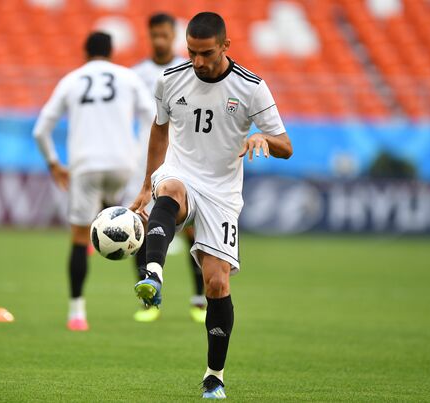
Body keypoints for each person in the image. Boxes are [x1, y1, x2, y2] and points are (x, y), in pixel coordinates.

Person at [130, 12, 292, 399]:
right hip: (182, 171)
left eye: (205, 53)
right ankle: (153, 273)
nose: (197, 61)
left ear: (225, 46)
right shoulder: (170, 80)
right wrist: (143, 186)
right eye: (191, 52)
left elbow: (286, 145)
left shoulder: (252, 87)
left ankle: (214, 375)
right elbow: (159, 128)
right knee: (169, 189)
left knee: (216, 282)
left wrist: (263, 140)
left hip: (222, 192)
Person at [33, 32, 154, 332]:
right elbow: (153, 117)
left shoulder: (72, 80)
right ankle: (148, 301)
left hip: (85, 166)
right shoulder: (127, 77)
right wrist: (139, 157)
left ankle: (77, 313)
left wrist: (53, 164)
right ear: (112, 51)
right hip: (123, 165)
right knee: (134, 226)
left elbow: (40, 130)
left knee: (78, 238)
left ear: (85, 52)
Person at [126, 12, 206, 323]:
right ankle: (150, 301)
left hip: (184, 159)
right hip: (147, 159)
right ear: (149, 35)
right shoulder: (136, 75)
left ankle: (199, 299)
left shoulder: (187, 72)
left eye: (164, 34)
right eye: (154, 34)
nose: (159, 40)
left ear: (173, 36)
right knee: (142, 225)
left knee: (192, 230)